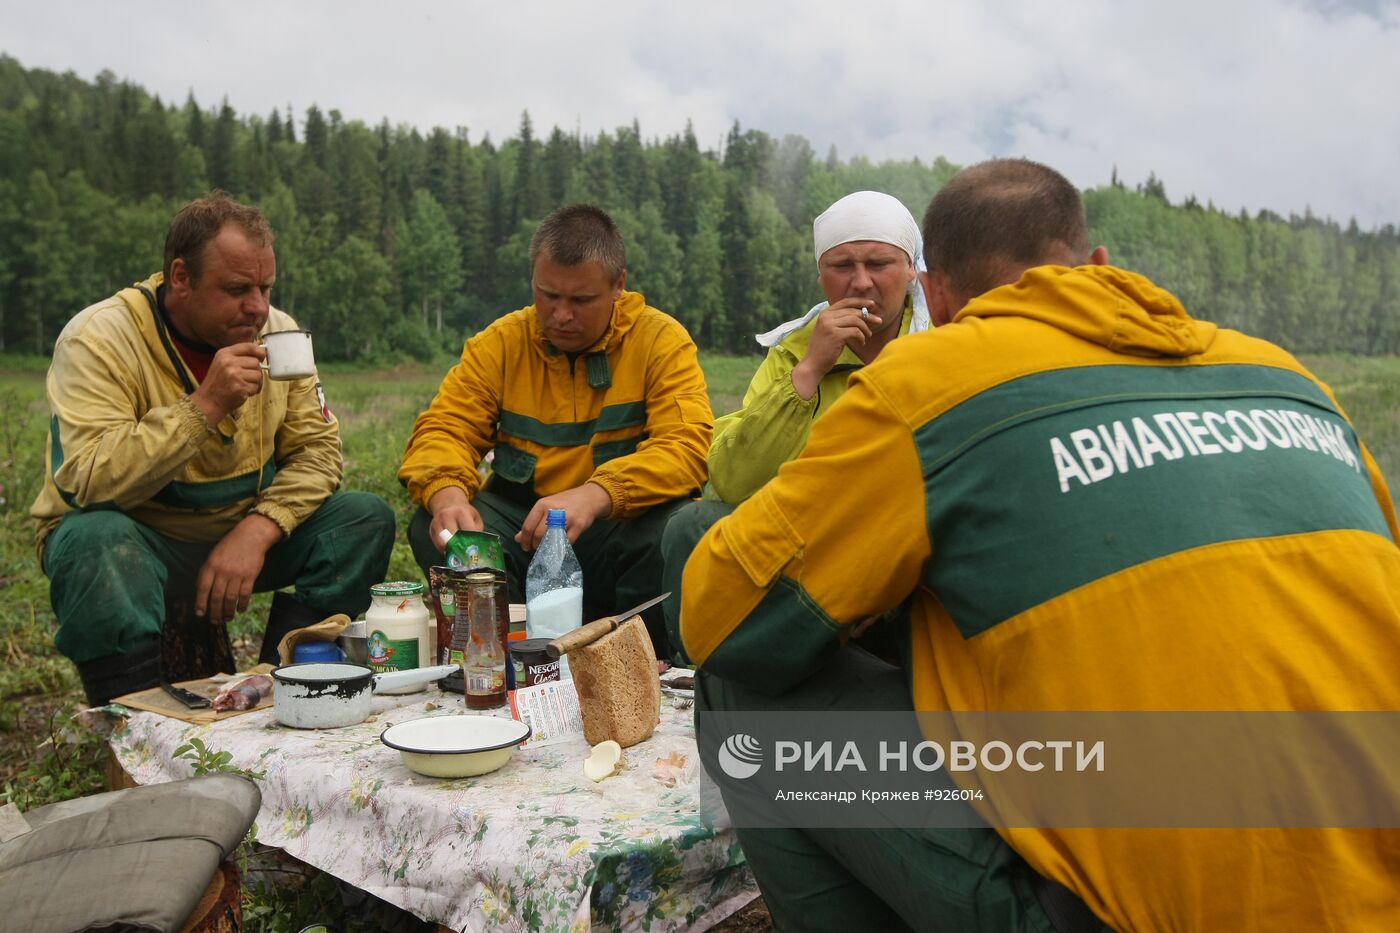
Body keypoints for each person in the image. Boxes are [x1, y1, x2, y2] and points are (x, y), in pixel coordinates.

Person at [679, 159, 1400, 930]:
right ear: (1097, 266)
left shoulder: (931, 379)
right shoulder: (1287, 378)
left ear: (936, 294)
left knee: (739, 688)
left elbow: (720, 618)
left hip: (1128, 913)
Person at [31, 192, 397, 706]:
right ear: (180, 277)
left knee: (363, 518)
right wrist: (203, 407)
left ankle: (280, 686)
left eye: (266, 287)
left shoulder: (280, 334)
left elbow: (318, 452)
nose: (258, 307)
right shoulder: (100, 339)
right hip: (140, 537)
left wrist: (259, 528)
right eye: (237, 289)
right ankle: (131, 719)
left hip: (238, 528)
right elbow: (89, 478)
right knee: (96, 542)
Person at [398, 204, 711, 657]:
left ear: (619, 285)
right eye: (548, 295)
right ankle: (499, 653)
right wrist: (446, 494)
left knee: (670, 526)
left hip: (608, 534)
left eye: (581, 301)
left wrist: (596, 494)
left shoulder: (660, 342)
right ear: (533, 281)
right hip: (523, 536)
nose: (561, 314)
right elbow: (446, 427)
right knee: (436, 523)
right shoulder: (501, 344)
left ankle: (642, 658)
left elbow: (687, 447)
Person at [660, 190, 930, 660]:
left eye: (879, 263)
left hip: (897, 553)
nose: (860, 283)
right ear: (821, 275)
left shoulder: (939, 347)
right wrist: (808, 373)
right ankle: (699, 678)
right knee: (692, 525)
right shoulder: (794, 352)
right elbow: (732, 481)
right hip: (805, 548)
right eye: (842, 265)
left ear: (911, 270)